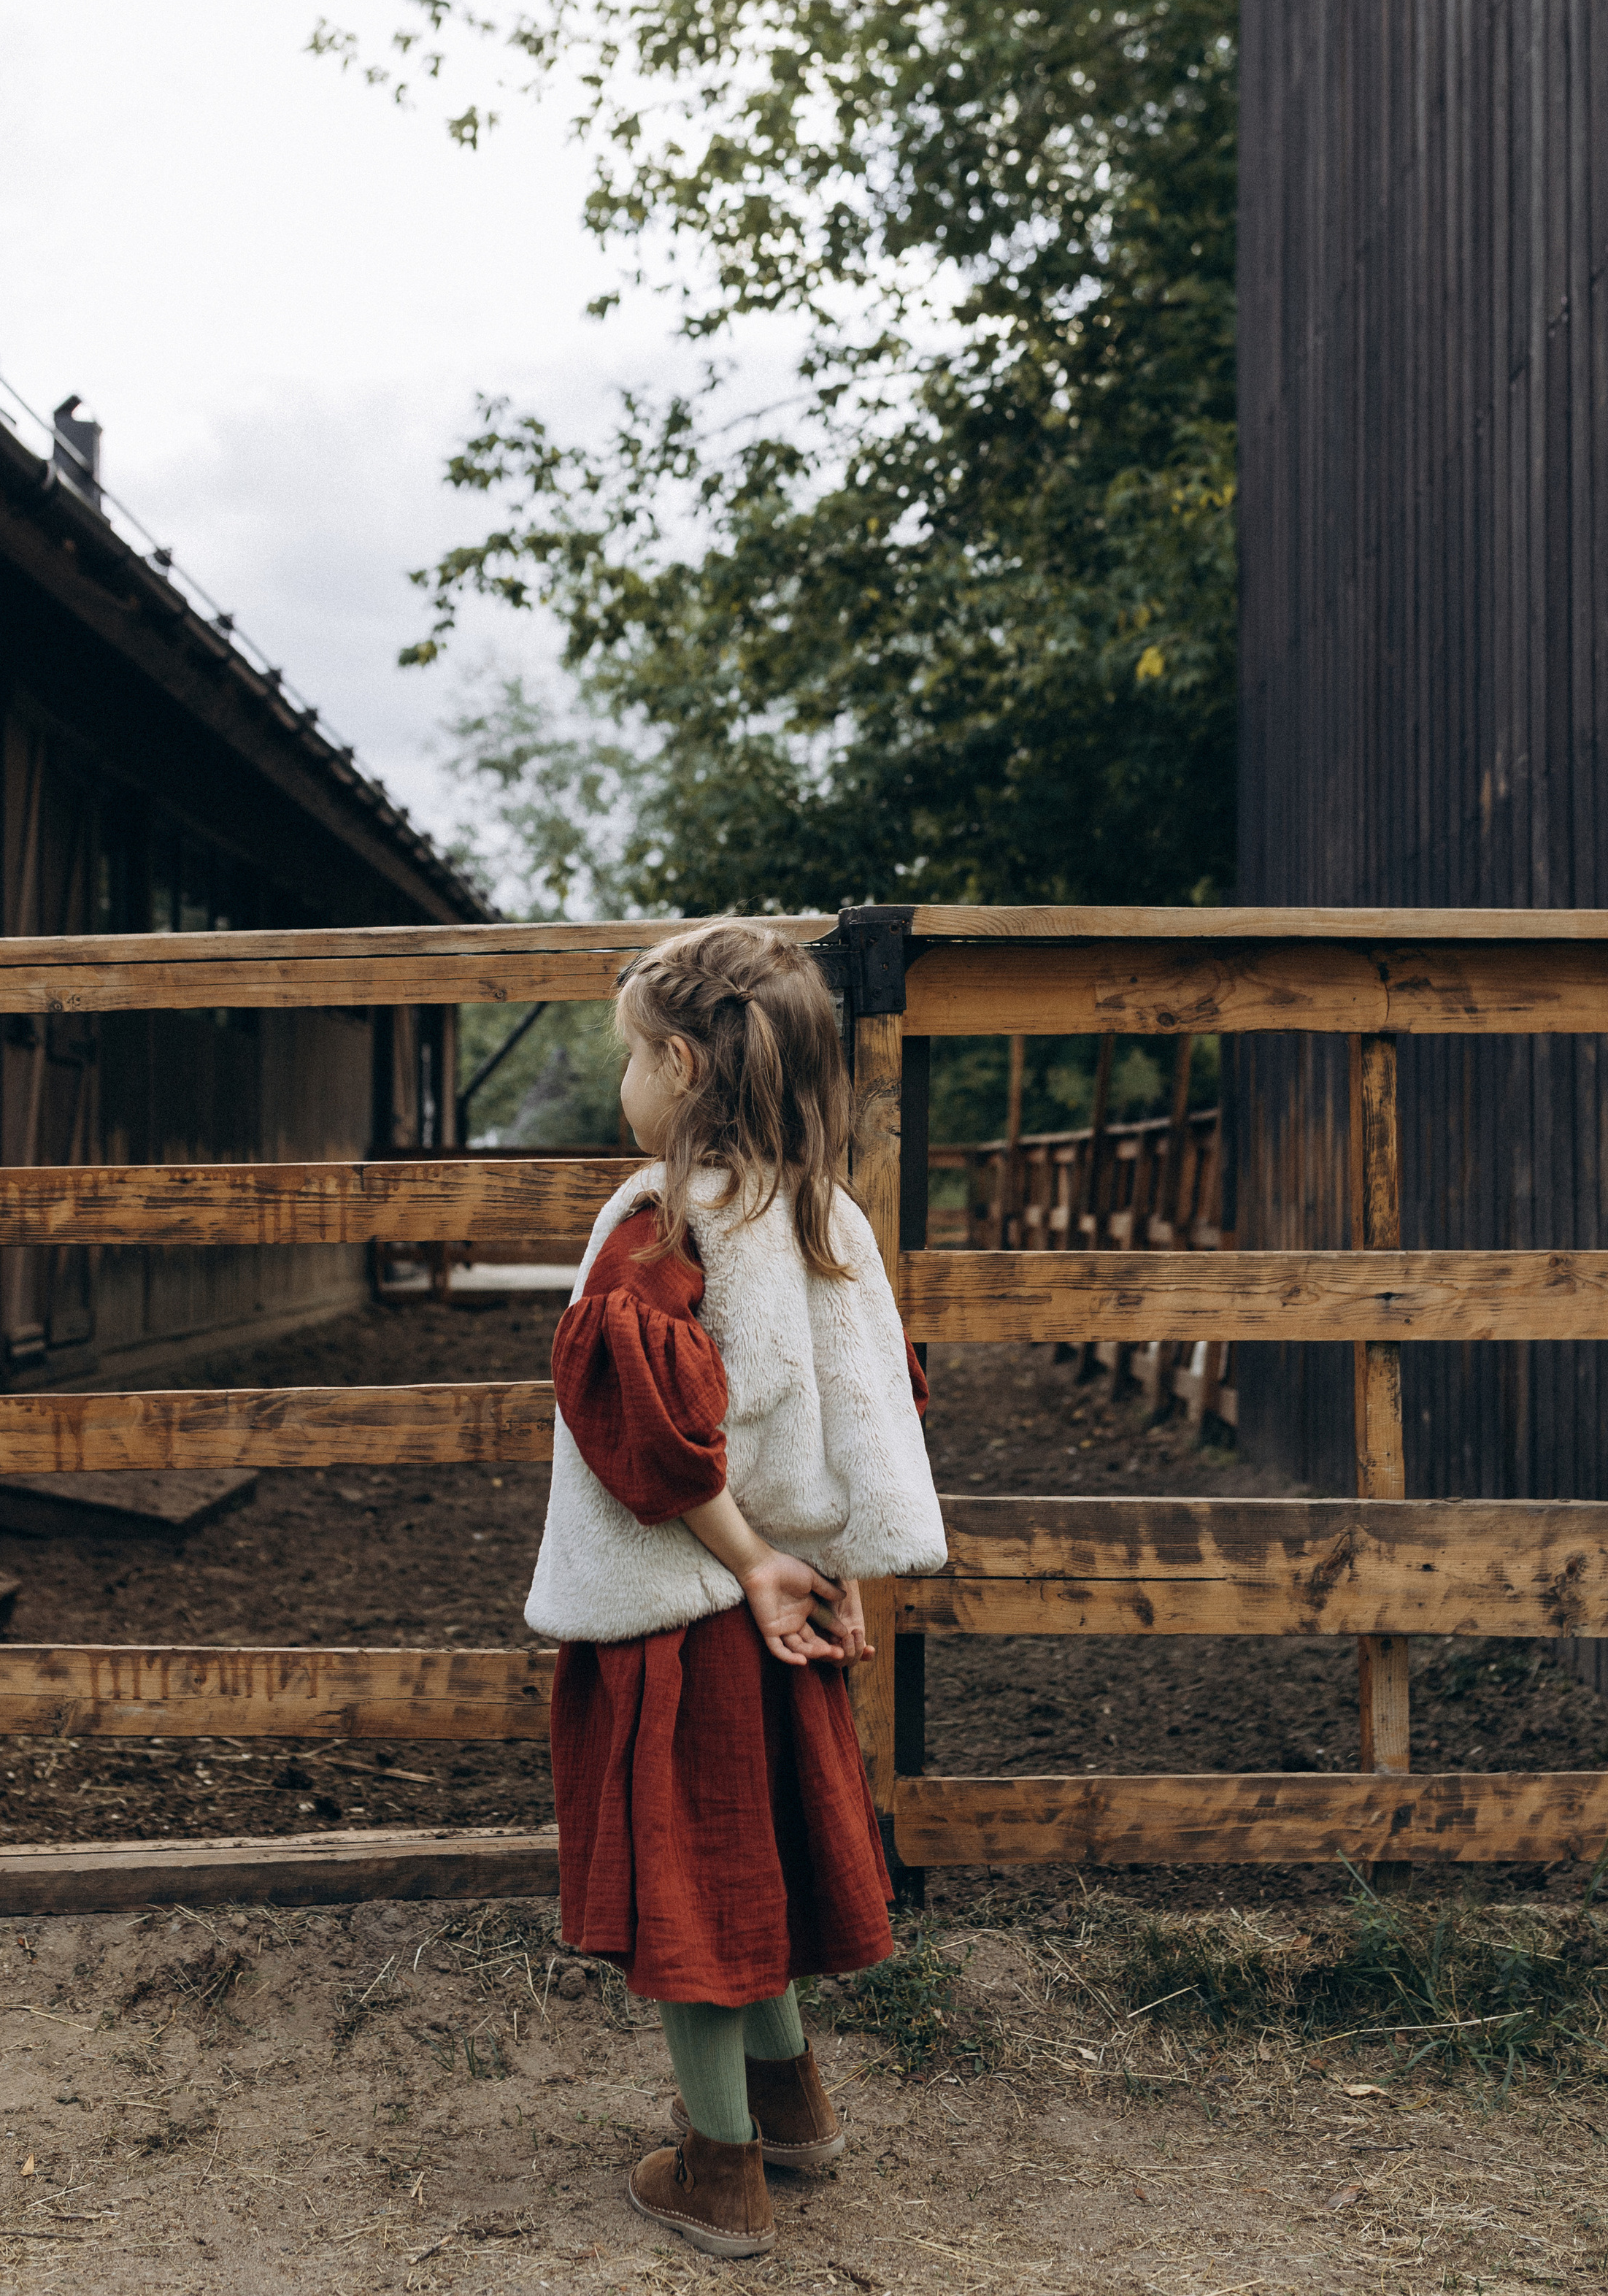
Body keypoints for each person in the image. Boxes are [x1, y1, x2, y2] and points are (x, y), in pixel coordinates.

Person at [525, 919, 947, 2260]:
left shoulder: (661, 1220)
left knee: (690, 1889)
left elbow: (650, 1426)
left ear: (685, 1062)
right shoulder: (827, 1214)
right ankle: (795, 2109)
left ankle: (717, 2171)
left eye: (632, 1057)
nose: (625, 1086)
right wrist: (831, 1566)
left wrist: (753, 1560)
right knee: (746, 1858)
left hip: (687, 1614)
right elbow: (870, 1411)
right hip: (783, 1609)